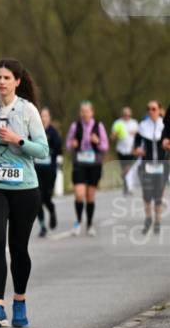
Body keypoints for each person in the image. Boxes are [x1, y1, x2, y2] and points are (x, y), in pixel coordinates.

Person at [0, 59, 49, 328]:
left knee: (18, 248)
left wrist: (18, 140)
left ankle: (19, 301)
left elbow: (43, 150)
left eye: (6, 78)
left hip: (24, 189)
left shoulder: (28, 111)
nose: (1, 82)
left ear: (17, 81)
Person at [66, 100, 109, 237]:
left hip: (94, 164)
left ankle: (89, 224)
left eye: (87, 111)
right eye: (82, 111)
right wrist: (72, 144)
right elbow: (68, 144)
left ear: (92, 112)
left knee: (90, 196)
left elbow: (105, 147)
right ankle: (78, 222)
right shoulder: (75, 126)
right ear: (80, 113)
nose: (85, 114)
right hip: (79, 163)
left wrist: (97, 142)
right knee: (79, 194)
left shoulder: (98, 126)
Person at [134, 100, 167, 235]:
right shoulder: (142, 126)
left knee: (158, 195)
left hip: (162, 164)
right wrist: (138, 150)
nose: (151, 111)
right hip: (146, 164)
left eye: (153, 109)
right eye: (148, 109)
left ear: (159, 110)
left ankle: (158, 221)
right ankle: (148, 218)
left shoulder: (165, 126)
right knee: (147, 194)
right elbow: (136, 145)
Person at [34, 107, 64, 237]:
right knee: (37, 198)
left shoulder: (54, 132)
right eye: (41, 116)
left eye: (45, 116)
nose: (43, 118)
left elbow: (59, 150)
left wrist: (48, 149)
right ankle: (42, 226)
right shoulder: (33, 131)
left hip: (50, 170)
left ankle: (52, 211)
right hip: (36, 170)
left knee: (46, 198)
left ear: (49, 118)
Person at [111, 106, 139, 195]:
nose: (127, 116)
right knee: (125, 168)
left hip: (132, 149)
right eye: (125, 114)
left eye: (128, 114)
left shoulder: (134, 123)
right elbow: (112, 138)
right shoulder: (117, 123)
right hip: (121, 150)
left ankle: (128, 184)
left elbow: (140, 136)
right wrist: (115, 135)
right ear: (122, 114)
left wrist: (136, 133)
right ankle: (127, 187)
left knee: (129, 168)